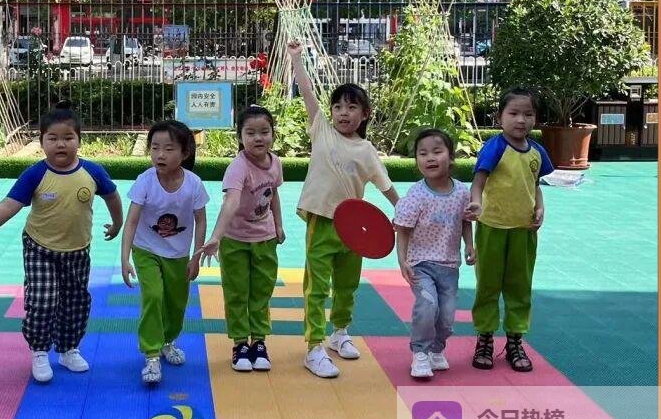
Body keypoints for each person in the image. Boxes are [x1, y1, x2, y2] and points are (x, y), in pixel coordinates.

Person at [0, 101, 123, 383]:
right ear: (42, 142)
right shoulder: (36, 174)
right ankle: (39, 350)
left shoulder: (93, 172)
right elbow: (8, 205)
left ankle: (68, 348)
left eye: (68, 138)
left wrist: (117, 223)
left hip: (77, 250)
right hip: (40, 249)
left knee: (76, 302)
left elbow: (112, 196)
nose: (61, 144)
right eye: (53, 138)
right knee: (43, 300)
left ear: (79, 140)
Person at [288, 40, 400, 379]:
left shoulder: (366, 150)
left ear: (364, 114)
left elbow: (385, 185)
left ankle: (339, 332)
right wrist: (296, 59)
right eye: (337, 106)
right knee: (316, 287)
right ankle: (314, 347)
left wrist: (403, 210)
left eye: (351, 107)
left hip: (354, 229)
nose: (343, 113)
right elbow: (307, 92)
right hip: (322, 221)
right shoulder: (321, 130)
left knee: (347, 284)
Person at [465, 88, 554, 372]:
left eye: (528, 114)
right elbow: (478, 182)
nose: (521, 120)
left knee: (520, 285)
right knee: (488, 285)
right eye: (513, 113)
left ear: (535, 118)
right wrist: (476, 204)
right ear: (499, 117)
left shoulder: (537, 152)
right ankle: (485, 337)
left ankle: (515, 339)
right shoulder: (495, 147)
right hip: (492, 227)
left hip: (523, 231)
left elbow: (535, 185)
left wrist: (540, 208)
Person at [121, 120, 209, 385]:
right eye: (155, 147)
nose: (160, 154)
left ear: (185, 152)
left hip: (178, 254)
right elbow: (132, 221)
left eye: (169, 149)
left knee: (176, 302)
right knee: (154, 296)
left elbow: (201, 221)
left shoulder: (193, 184)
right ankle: (151, 354)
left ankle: (167, 341)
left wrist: (196, 257)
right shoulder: (145, 181)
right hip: (146, 249)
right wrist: (125, 258)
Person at [198, 105, 284, 372]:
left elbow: (273, 194)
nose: (258, 138)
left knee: (261, 291)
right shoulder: (238, 167)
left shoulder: (275, 163)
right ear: (240, 137)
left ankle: (258, 341)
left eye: (264, 132)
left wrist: (279, 225)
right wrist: (216, 237)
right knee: (237, 292)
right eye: (250, 133)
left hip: (265, 238)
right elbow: (232, 201)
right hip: (235, 240)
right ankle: (239, 344)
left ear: (273, 134)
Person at [394, 128, 476, 379]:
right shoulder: (416, 195)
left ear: (451, 157)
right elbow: (403, 230)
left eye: (437, 152)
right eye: (423, 153)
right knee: (428, 306)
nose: (430, 158)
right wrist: (403, 261)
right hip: (421, 264)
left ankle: (436, 349)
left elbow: (465, 221)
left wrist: (469, 245)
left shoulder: (462, 192)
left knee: (447, 316)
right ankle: (420, 352)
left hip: (449, 266)